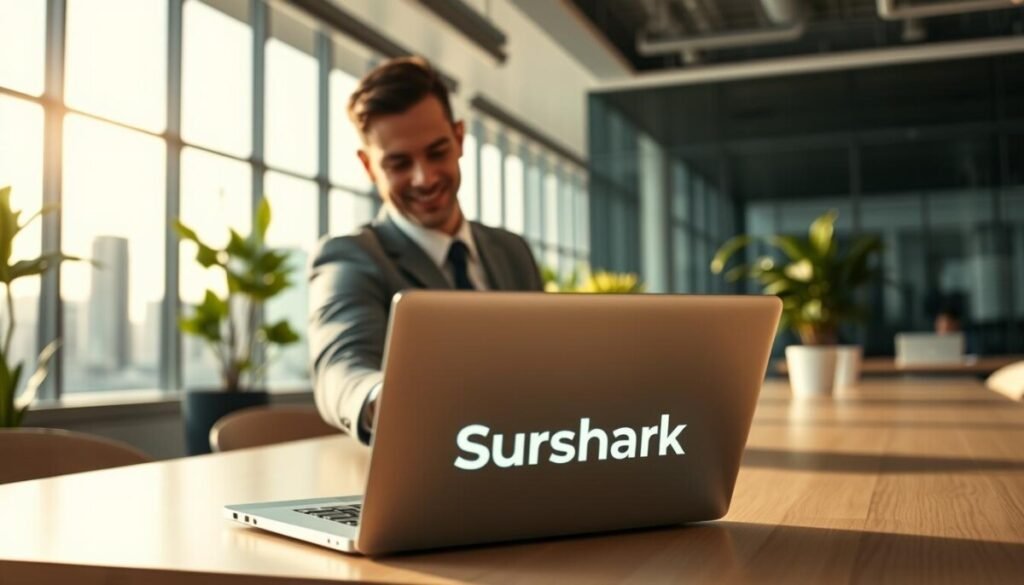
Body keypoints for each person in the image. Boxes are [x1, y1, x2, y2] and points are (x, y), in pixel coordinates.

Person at [308, 57, 544, 445]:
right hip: (428, 465)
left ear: (459, 138)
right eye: (399, 163)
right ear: (368, 166)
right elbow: (341, 369)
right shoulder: (350, 256)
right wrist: (383, 398)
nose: (425, 178)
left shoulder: (511, 251)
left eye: (437, 152)